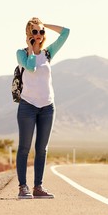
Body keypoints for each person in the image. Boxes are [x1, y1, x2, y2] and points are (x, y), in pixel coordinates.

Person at [16, 17, 69, 199]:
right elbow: (30, 68)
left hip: (48, 107)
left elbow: (66, 32)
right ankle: (23, 187)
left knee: (42, 148)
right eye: (35, 32)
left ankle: (38, 187)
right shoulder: (21, 54)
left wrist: (45, 25)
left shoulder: (48, 53)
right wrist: (31, 48)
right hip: (27, 106)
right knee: (24, 148)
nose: (39, 35)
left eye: (41, 32)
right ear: (28, 34)